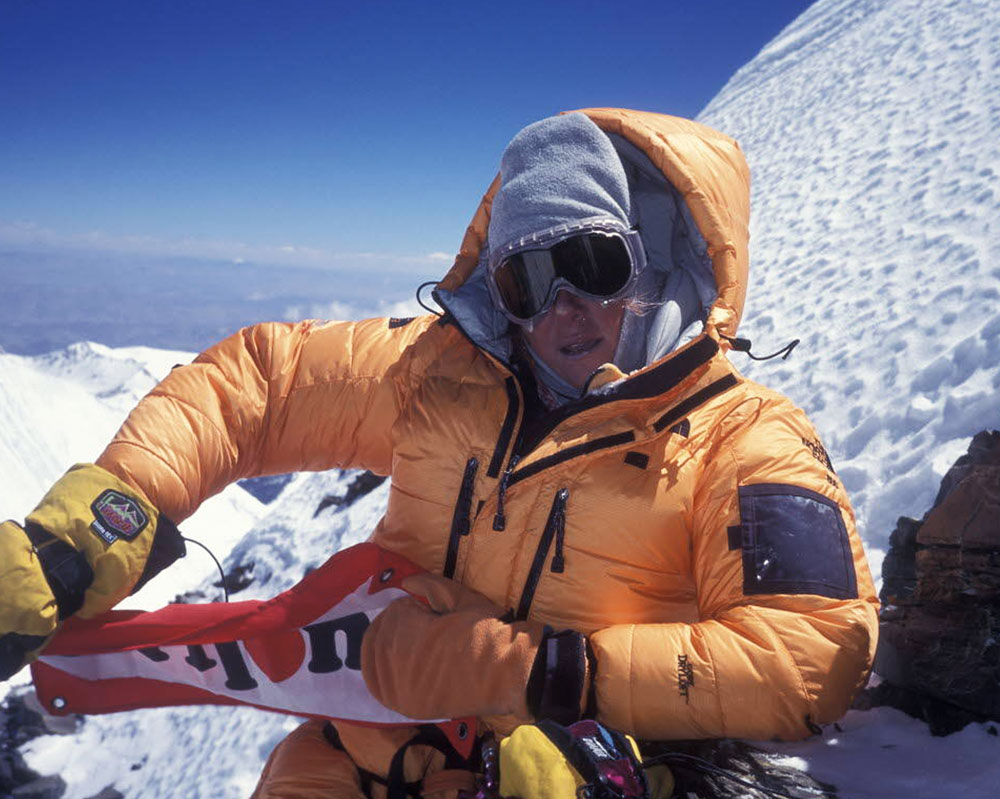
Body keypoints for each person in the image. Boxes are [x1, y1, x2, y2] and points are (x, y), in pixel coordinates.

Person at [0, 109, 879, 798]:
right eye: (530, 278)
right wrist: (89, 530)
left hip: (590, 769)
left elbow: (807, 656)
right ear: (499, 292)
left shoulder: (741, 434)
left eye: (593, 262)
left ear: (643, 267)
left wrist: (538, 673)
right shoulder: (439, 372)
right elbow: (256, 388)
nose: (567, 306)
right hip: (367, 757)